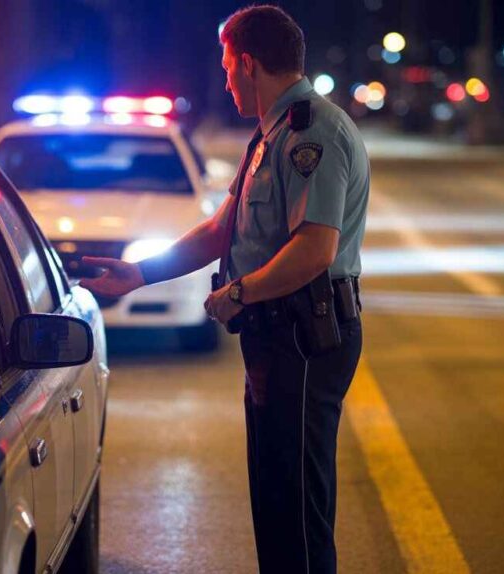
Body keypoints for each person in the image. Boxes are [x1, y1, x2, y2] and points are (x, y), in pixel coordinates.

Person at [80, 5, 370, 573]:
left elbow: (315, 249)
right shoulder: (269, 135)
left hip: (304, 337)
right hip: (275, 336)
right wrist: (140, 274)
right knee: (273, 499)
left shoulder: (312, 133)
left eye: (227, 65)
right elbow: (220, 231)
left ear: (250, 64)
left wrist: (238, 293)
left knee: (299, 509)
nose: (225, 78)